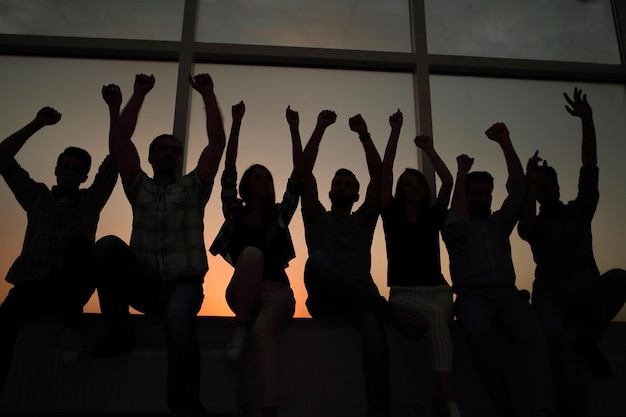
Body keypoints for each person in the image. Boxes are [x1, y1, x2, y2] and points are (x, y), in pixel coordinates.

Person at [90, 73, 226, 417]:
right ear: (150, 157)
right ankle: (119, 331)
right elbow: (120, 141)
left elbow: (215, 145)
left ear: (180, 158)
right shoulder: (139, 187)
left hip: (182, 286)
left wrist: (207, 95)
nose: (168, 152)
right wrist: (138, 95)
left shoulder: (194, 188)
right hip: (145, 284)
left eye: (174, 149)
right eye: (161, 148)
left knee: (179, 319)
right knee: (106, 246)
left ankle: (184, 405)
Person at [301, 110, 428, 417]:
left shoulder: (364, 220)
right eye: (338, 184)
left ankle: (379, 410)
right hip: (326, 299)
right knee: (318, 260)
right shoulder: (316, 216)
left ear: (357, 195)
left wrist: (365, 135)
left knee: (373, 329)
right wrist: (319, 128)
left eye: (349, 185)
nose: (343, 188)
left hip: (361, 300)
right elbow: (304, 172)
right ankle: (390, 312)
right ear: (330, 192)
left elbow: (380, 175)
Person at [0, 85, 120, 393]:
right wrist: (37, 123)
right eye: (64, 167)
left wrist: (114, 108)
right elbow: (2, 156)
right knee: (4, 325)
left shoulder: (90, 201)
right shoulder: (37, 197)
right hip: (32, 284)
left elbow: (117, 158)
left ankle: (70, 328)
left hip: (71, 284)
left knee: (82, 246)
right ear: (56, 169)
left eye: (76, 170)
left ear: (84, 176)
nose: (69, 173)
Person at [518, 88, 626, 417]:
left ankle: (588, 338)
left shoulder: (578, 211)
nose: (549, 190)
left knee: (620, 278)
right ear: (536, 193)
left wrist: (587, 120)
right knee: (557, 345)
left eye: (551, 185)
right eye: (542, 187)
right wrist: (529, 184)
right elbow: (525, 228)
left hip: (583, 292)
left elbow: (589, 166)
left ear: (558, 187)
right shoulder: (534, 221)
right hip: (551, 298)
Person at [441, 122, 555, 417]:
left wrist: (505, 142)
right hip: (472, 298)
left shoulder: (499, 224)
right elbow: (455, 221)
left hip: (508, 296)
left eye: (485, 193)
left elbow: (518, 188)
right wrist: (462, 173)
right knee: (479, 334)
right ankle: (505, 408)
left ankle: (542, 410)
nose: (482, 198)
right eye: (475, 193)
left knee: (534, 337)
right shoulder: (456, 226)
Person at [209, 102, 303, 417]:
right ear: (247, 185)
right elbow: (228, 169)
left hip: (277, 291)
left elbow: (297, 177)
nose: (265, 181)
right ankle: (240, 325)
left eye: (267, 177)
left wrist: (294, 128)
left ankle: (268, 409)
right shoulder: (235, 213)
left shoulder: (278, 217)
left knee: (262, 333)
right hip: (243, 291)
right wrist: (236, 122)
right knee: (250, 255)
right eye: (258, 177)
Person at [379, 110, 459, 417]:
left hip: (439, 291)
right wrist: (395, 130)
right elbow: (385, 170)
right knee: (436, 318)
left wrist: (428, 149)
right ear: (400, 190)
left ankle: (444, 399)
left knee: (437, 315)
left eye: (419, 184)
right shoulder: (391, 215)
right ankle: (449, 400)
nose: (414, 187)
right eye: (408, 184)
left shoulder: (432, 216)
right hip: (404, 293)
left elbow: (448, 179)